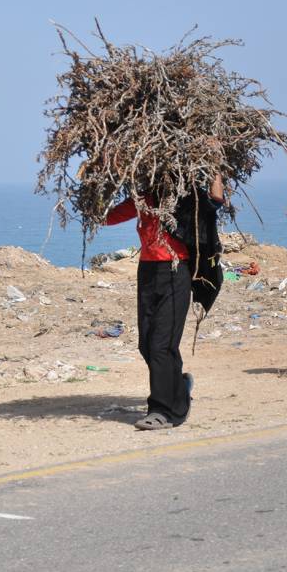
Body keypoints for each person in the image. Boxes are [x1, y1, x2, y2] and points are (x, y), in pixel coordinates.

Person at [104, 174, 225, 430]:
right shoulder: (144, 199)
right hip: (147, 272)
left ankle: (164, 411)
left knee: (162, 344)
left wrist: (215, 172)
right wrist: (95, 189)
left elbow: (215, 201)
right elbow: (107, 217)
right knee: (147, 344)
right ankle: (179, 386)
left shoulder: (187, 198)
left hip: (175, 271)